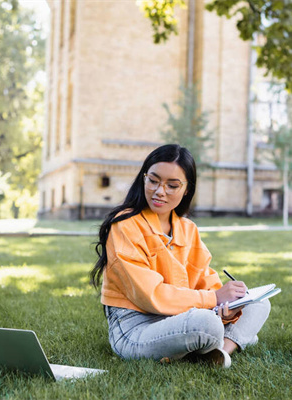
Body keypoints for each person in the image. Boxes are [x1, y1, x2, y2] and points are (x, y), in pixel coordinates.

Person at [90, 144, 271, 368]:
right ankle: (225, 339)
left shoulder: (187, 228)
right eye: (153, 180)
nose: (159, 191)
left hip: (181, 316)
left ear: (186, 189)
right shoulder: (125, 224)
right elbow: (150, 295)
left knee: (258, 302)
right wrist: (214, 300)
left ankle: (221, 351)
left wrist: (226, 309)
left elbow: (207, 283)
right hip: (136, 326)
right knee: (206, 324)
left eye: (172, 185)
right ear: (143, 178)